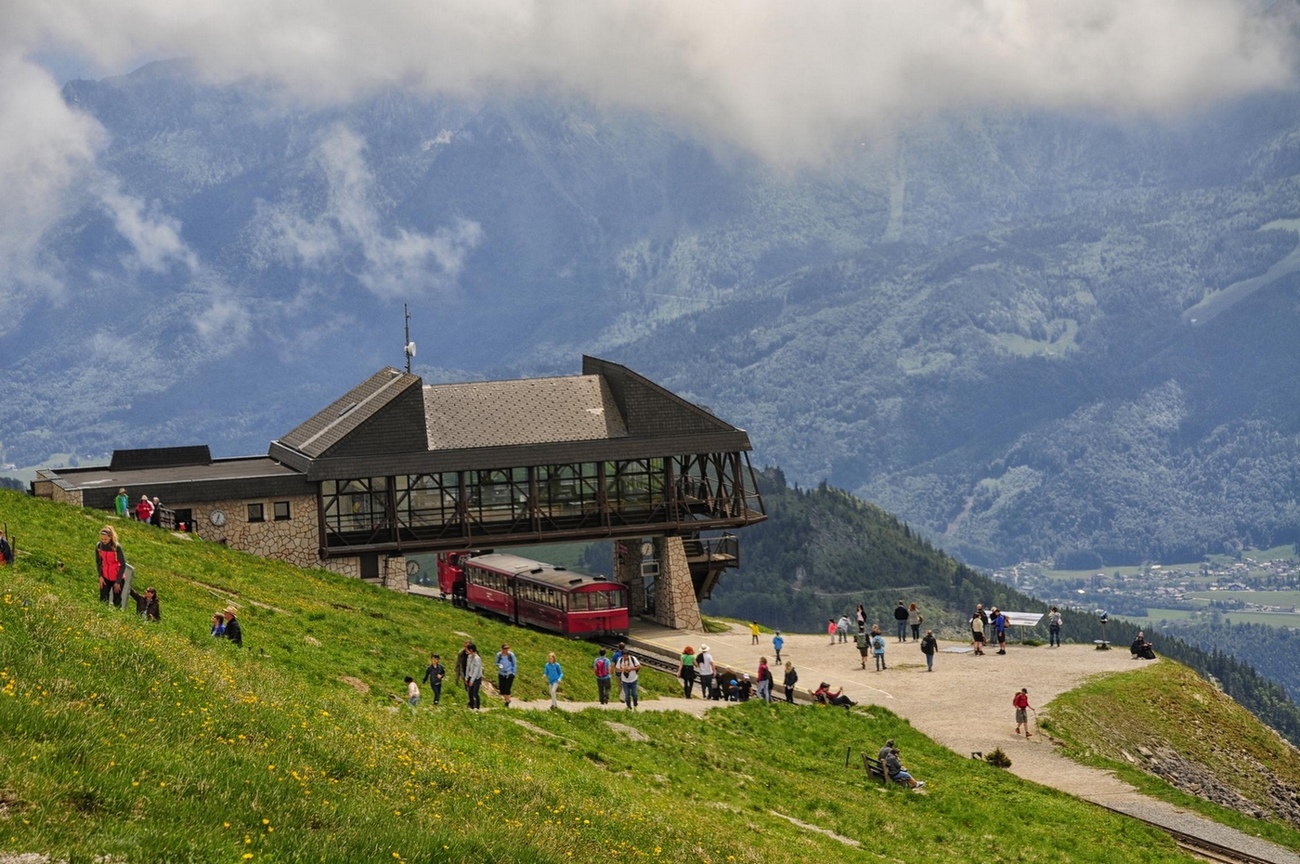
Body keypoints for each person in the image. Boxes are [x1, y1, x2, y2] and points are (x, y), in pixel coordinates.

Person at [95, 526, 127, 607]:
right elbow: (98, 562)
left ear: (110, 537)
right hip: (105, 577)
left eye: (105, 539)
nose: (103, 541)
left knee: (116, 601)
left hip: (117, 577)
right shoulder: (99, 546)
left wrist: (118, 581)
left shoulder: (117, 547)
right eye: (102, 539)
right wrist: (100, 576)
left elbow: (123, 564)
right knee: (103, 599)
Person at [495, 643, 517, 707]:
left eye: (507, 648)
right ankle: (508, 700)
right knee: (502, 690)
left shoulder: (511, 655)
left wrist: (513, 673)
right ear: (502, 649)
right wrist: (499, 665)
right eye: (505, 648)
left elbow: (514, 664)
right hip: (501, 673)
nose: (506, 650)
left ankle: (507, 702)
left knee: (507, 688)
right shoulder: (499, 655)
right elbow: (496, 663)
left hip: (509, 673)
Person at [464, 643, 483, 709]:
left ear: (471, 650)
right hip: (470, 676)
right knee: (470, 692)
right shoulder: (469, 657)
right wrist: (466, 677)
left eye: (467, 649)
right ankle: (472, 705)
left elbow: (476, 670)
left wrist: (472, 680)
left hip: (476, 678)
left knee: (475, 693)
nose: (466, 650)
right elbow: (467, 667)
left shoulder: (477, 658)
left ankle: (477, 707)